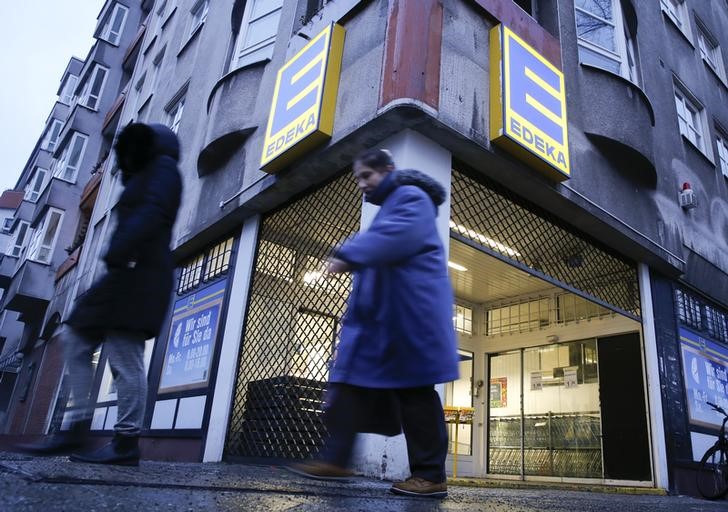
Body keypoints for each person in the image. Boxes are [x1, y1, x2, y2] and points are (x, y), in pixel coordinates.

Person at [290, 149, 459, 498]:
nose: (361, 184)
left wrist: (348, 253)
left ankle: (430, 476)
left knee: (415, 394)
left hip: (411, 317)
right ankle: (336, 459)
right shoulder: (392, 205)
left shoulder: (411, 198)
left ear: (388, 171)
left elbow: (394, 240)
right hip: (386, 320)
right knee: (353, 387)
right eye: (357, 178)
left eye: (367, 176)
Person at [19, 123, 183, 466]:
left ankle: (125, 442)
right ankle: (75, 428)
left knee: (125, 356)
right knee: (76, 337)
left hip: (142, 274)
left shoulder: (165, 169)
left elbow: (154, 211)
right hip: (124, 273)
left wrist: (119, 249)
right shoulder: (143, 174)